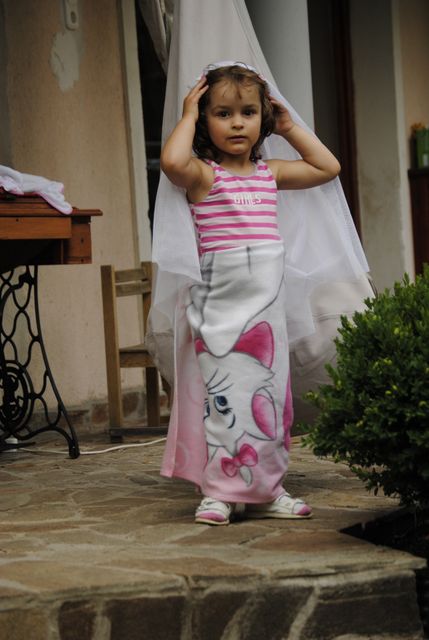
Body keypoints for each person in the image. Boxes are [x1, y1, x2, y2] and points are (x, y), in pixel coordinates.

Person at [156, 63, 342, 525]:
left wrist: (289, 127)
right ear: (205, 121)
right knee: (224, 400)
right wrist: (186, 114)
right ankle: (218, 491)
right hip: (219, 312)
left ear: (264, 117)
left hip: (264, 316)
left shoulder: (269, 173)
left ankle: (267, 490)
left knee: (270, 401)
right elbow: (172, 163)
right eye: (222, 113)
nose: (237, 123)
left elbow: (328, 167)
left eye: (248, 112)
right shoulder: (204, 176)